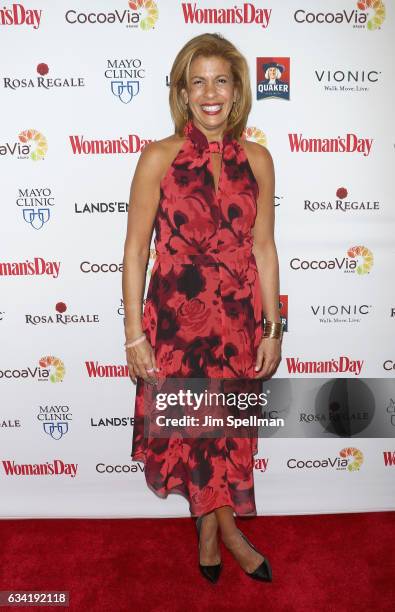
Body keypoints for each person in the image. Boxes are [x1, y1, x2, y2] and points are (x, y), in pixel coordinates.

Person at [122, 32, 283, 583]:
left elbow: (264, 248)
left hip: (238, 321)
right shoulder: (158, 157)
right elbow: (136, 250)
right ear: (183, 93)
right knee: (193, 431)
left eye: (221, 80)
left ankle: (214, 528)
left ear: (238, 91)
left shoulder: (258, 159)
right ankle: (224, 529)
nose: (210, 92)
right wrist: (133, 335)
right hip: (175, 322)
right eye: (198, 82)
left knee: (227, 430)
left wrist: (273, 328)